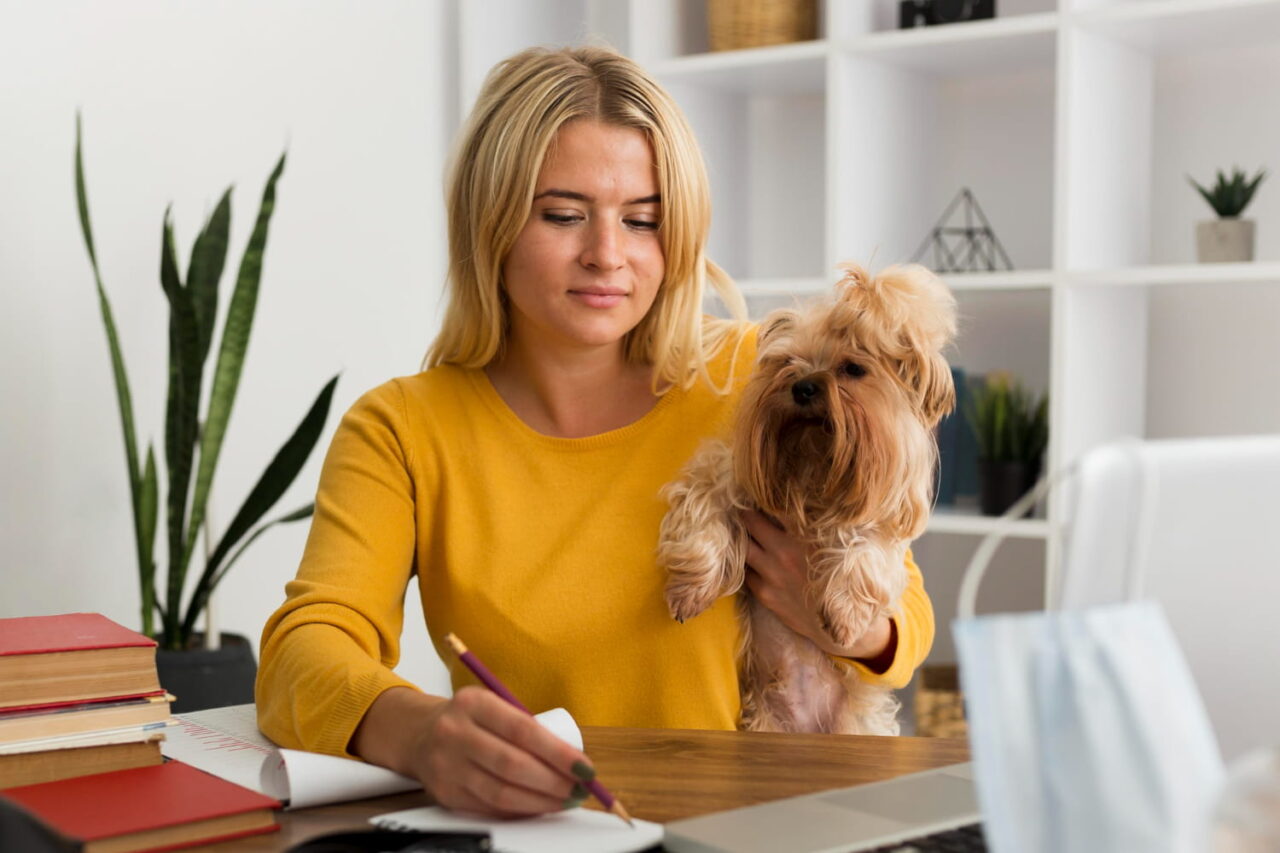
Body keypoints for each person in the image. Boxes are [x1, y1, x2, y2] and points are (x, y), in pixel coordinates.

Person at [256, 44, 934, 819]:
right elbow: (300, 654)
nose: (607, 255)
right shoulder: (403, 429)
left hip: (765, 822)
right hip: (549, 832)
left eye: (642, 221)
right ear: (492, 221)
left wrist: (856, 632)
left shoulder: (763, 378)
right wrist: (420, 733)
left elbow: (905, 611)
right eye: (564, 215)